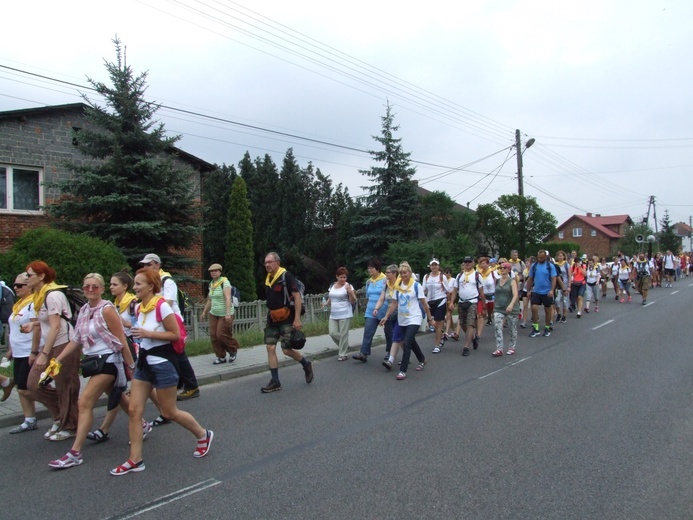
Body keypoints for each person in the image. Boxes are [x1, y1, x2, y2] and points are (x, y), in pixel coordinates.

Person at [110, 268, 213, 475]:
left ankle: (203, 434)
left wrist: (147, 333)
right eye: (135, 283)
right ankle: (135, 460)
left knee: (168, 412)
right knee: (134, 411)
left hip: (163, 364)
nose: (135, 287)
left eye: (139, 284)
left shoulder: (162, 306)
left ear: (151, 285)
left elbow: (175, 335)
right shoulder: (140, 308)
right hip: (144, 364)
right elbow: (141, 334)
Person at [47, 273, 137, 469]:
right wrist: (58, 360)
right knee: (119, 397)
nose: (90, 290)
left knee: (84, 402)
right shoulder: (85, 310)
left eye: (95, 287)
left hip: (109, 360)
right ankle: (142, 424)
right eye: (86, 286)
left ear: (102, 289)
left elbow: (121, 339)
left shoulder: (107, 310)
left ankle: (75, 452)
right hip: (93, 361)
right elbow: (77, 339)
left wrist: (131, 368)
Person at [24, 261, 80, 441]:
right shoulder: (39, 295)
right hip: (50, 345)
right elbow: (47, 321)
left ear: (41, 276)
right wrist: (32, 327)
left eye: (30, 275)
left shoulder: (52, 295)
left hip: (64, 344)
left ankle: (70, 425)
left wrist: (44, 354)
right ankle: (61, 414)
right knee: (34, 385)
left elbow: (56, 326)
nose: (26, 278)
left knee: (66, 384)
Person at [139, 254, 199, 401]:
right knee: (173, 353)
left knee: (178, 353)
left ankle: (191, 385)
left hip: (171, 320)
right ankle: (180, 384)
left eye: (149, 264)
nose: (145, 267)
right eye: (144, 265)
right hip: (160, 321)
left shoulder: (167, 280)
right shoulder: (152, 281)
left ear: (158, 265)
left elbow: (169, 301)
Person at [260, 252, 313, 393]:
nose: (267, 265)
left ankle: (306, 364)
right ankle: (275, 381)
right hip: (273, 319)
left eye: (270, 262)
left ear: (277, 262)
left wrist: (297, 319)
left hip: (287, 318)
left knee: (286, 350)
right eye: (265, 262)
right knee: (270, 348)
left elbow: (297, 297)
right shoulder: (268, 279)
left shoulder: (286, 276)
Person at [380, 262, 432, 380]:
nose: (403, 275)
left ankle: (403, 370)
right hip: (402, 318)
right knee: (411, 341)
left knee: (407, 342)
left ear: (410, 273)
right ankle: (422, 359)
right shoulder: (398, 286)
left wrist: (430, 318)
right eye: (401, 273)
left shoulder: (416, 285)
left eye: (405, 272)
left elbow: (424, 303)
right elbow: (394, 303)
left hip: (414, 317)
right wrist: (386, 316)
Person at [5, 273, 38, 431]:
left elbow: (37, 328)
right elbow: (14, 328)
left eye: (19, 285)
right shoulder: (19, 304)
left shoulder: (33, 304)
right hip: (18, 351)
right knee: (20, 387)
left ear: (29, 286)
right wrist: (11, 348)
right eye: (14, 285)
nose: (15, 288)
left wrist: (34, 351)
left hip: (28, 351)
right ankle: (29, 419)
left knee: (25, 388)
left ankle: (57, 404)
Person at [200, 263, 239, 365]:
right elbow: (209, 300)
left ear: (220, 272)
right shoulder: (212, 284)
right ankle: (221, 356)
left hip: (224, 313)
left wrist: (227, 314)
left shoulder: (224, 282)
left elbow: (227, 299)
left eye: (216, 271)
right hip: (214, 313)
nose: (213, 273)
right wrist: (204, 312)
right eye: (211, 271)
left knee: (221, 335)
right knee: (213, 335)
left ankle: (232, 349)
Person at [449, 256, 487, 356]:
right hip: (462, 302)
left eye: (469, 262)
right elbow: (455, 290)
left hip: (473, 301)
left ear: (473, 263)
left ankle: (466, 346)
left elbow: (482, 293)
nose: (467, 263)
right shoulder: (459, 275)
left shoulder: (477, 275)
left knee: (470, 323)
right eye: (465, 262)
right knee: (462, 324)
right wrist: (452, 302)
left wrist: (483, 307)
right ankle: (473, 338)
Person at [353, 259, 387, 362]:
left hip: (384, 310)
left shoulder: (385, 280)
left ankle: (390, 353)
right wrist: (368, 307)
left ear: (377, 269)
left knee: (389, 333)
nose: (369, 270)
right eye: (368, 268)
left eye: (371, 268)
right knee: (368, 331)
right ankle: (363, 353)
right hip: (371, 310)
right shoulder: (369, 282)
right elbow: (368, 296)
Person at [376, 265, 405, 370]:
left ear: (394, 274)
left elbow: (397, 301)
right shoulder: (386, 285)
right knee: (400, 338)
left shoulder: (401, 284)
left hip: (401, 314)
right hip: (390, 314)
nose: (386, 274)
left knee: (396, 336)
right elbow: (381, 298)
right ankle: (408, 355)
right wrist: (376, 308)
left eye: (388, 272)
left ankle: (390, 360)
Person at [327, 267, 356, 361]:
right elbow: (331, 296)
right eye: (341, 277)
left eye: (344, 277)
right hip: (334, 314)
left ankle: (343, 353)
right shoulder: (332, 286)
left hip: (345, 313)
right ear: (337, 277)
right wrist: (326, 303)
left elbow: (353, 300)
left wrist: (350, 292)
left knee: (343, 334)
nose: (343, 279)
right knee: (332, 333)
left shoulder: (348, 286)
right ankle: (344, 344)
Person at [525, 250, 556, 338]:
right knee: (534, 307)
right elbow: (530, 279)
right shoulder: (534, 266)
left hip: (547, 292)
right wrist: (528, 290)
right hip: (536, 291)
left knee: (547, 310)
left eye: (541, 258)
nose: (540, 259)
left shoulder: (550, 266)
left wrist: (552, 290)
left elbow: (554, 279)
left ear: (545, 257)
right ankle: (536, 328)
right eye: (538, 257)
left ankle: (547, 327)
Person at [491, 263, 520, 357]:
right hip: (499, 308)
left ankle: (512, 347)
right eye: (500, 268)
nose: (502, 269)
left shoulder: (512, 281)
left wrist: (511, 305)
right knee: (497, 327)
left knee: (512, 328)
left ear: (508, 270)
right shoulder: (497, 281)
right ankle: (499, 348)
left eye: (504, 268)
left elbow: (515, 294)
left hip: (510, 308)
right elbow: (496, 294)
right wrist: (494, 307)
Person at [423, 258, 451, 354]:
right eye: (432, 265)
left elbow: (448, 291)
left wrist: (449, 303)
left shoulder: (442, 277)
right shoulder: (426, 277)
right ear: (430, 266)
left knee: (439, 323)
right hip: (430, 302)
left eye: (436, 265)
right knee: (432, 323)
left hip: (440, 301)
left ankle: (437, 345)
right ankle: (441, 335)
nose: (434, 267)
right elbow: (424, 290)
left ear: (438, 266)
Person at [476, 257, 498, 343]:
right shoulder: (478, 274)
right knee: (481, 315)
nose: (482, 265)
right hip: (482, 296)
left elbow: (498, 282)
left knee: (493, 312)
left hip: (492, 296)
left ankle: (494, 324)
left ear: (488, 264)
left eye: (484, 263)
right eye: (481, 263)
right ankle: (478, 335)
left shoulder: (493, 273)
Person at [553, 251, 571, 324]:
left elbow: (569, 276)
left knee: (565, 301)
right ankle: (558, 313)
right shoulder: (555, 265)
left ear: (564, 257)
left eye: (561, 256)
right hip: (558, 285)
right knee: (557, 300)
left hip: (565, 284)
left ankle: (564, 316)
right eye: (558, 256)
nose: (560, 257)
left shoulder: (566, 265)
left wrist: (569, 286)